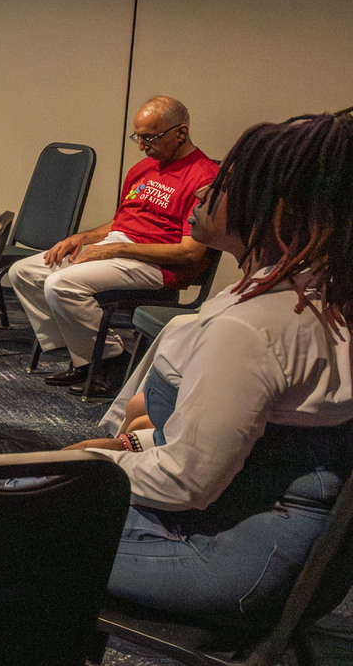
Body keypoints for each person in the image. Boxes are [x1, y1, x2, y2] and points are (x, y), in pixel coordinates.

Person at [61, 109, 353, 629]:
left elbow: (186, 484)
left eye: (218, 186)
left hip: (232, 563)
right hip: (303, 568)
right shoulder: (320, 296)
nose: (198, 194)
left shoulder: (251, 327)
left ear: (272, 208)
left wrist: (89, 464)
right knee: (29, 489)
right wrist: (126, 448)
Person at [7, 95, 220, 397]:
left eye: (150, 138)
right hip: (119, 249)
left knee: (60, 284)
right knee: (24, 272)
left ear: (180, 133)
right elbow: (121, 222)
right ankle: (84, 359)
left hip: (157, 265)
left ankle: (112, 360)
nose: (141, 145)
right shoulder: (143, 168)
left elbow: (190, 252)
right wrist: (81, 238)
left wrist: (116, 250)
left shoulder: (204, 177)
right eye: (138, 136)